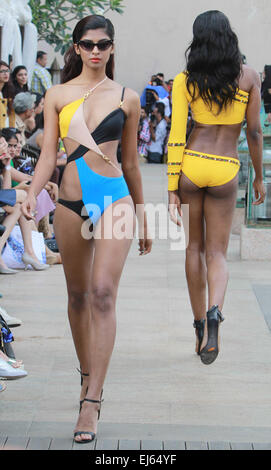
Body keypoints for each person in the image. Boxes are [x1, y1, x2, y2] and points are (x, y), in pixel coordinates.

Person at [22, 14, 152, 444]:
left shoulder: (127, 97)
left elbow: (131, 162)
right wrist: (31, 194)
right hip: (70, 203)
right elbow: (46, 158)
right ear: (76, 48)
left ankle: (91, 401)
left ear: (112, 48)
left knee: (101, 293)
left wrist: (143, 214)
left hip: (114, 200)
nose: (96, 50)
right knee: (77, 295)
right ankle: (86, 376)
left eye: (103, 44)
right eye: (88, 43)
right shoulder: (58, 94)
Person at [167, 10, 266, 365]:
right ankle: (213, 314)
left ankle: (197, 325)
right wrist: (259, 175)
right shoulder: (249, 77)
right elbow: (255, 132)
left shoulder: (185, 80)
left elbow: (177, 136)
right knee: (217, 254)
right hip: (226, 167)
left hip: (192, 164)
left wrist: (171, 188)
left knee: (192, 249)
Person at [0, 61, 16, 129]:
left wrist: (14, 131)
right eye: (2, 71)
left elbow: (12, 115)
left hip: (7, 132)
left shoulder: (9, 91)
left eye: (7, 70)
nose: (6, 74)